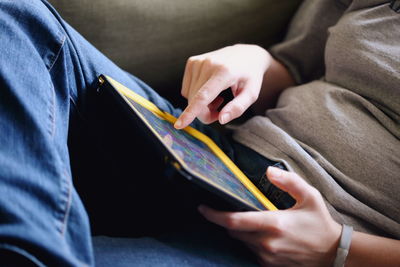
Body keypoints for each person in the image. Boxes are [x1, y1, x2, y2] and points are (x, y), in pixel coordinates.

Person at [0, 0, 399, 266]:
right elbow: (294, 64)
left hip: (291, 239)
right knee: (15, 16)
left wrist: (336, 248)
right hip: (212, 154)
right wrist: (251, 61)